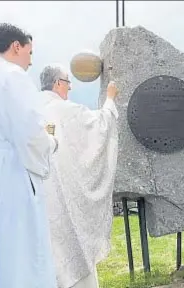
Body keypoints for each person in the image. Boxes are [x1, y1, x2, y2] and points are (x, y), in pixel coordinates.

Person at [0, 23, 58, 288]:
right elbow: (30, 131)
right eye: (29, 53)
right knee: (17, 252)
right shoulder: (13, 75)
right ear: (16, 46)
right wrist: (51, 143)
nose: (30, 62)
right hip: (10, 171)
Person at [39, 64, 119, 288]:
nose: (70, 88)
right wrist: (110, 98)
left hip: (38, 196)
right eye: (67, 82)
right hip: (63, 198)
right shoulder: (66, 110)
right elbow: (100, 126)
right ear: (57, 84)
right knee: (72, 250)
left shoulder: (32, 108)